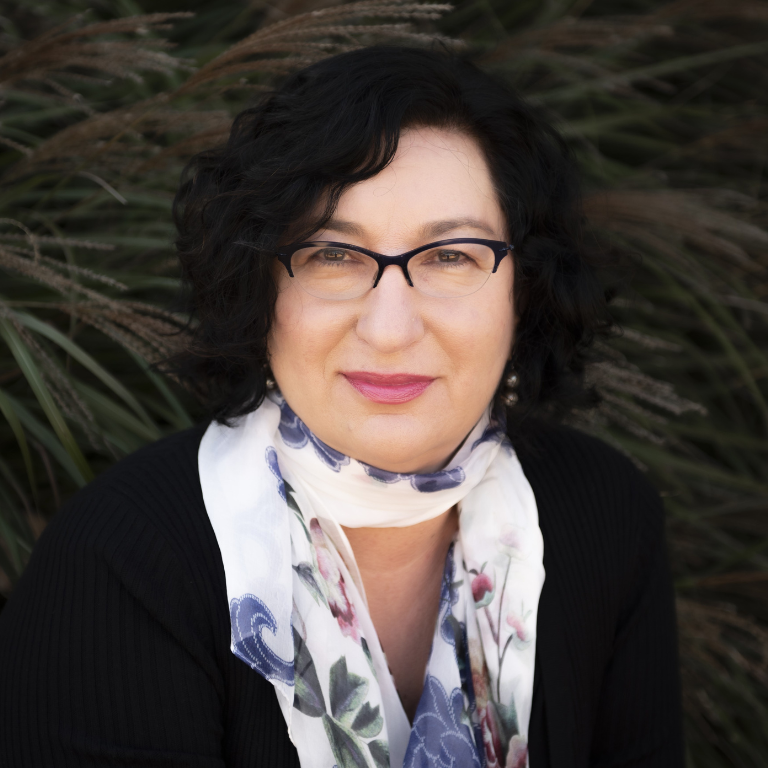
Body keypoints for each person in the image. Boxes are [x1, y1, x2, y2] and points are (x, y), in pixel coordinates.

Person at [0, 46, 683, 767]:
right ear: (261, 287)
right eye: (333, 254)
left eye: (451, 256)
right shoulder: (120, 564)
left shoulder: (605, 515)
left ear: (527, 289)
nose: (390, 328)